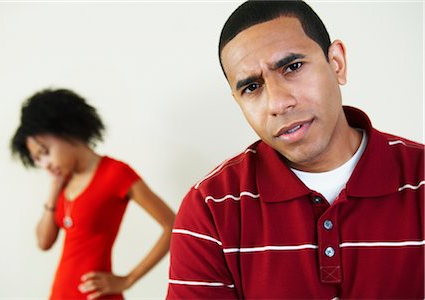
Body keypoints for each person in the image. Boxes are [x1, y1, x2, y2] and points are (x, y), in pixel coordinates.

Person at [167, 1, 424, 299]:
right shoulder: (211, 207)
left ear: (337, 63)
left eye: (293, 67)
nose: (278, 103)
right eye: (252, 87)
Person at [10, 88, 175, 299]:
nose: (45, 164)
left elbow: (172, 224)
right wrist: (54, 187)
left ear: (65, 130)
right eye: (38, 160)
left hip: (96, 295)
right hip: (60, 293)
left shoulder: (116, 173)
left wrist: (127, 280)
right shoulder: (63, 181)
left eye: (45, 152)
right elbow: (44, 243)